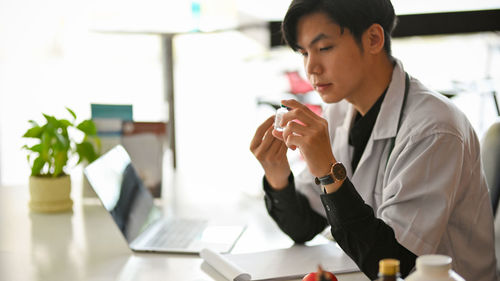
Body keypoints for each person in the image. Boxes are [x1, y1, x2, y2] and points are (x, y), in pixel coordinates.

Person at [249, 0, 498, 280]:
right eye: (304, 52)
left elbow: (394, 264)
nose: (311, 68)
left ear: (373, 39)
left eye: (324, 48)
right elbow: (305, 225)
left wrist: (329, 174)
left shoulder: (434, 129)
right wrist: (277, 173)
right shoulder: (341, 109)